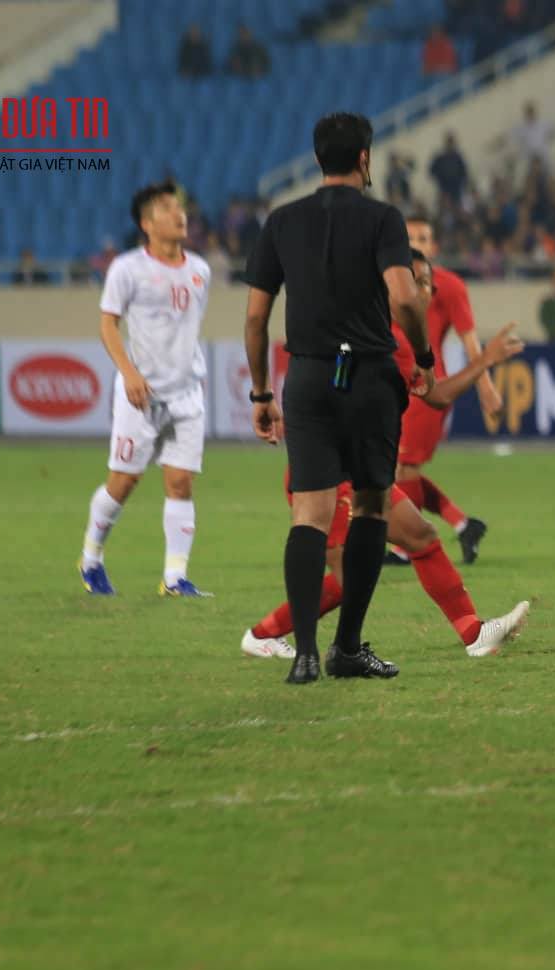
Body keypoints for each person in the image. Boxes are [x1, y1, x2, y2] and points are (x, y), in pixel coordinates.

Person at [242, 112, 434, 685]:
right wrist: (422, 357)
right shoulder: (383, 219)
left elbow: (255, 319)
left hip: (307, 377)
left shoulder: (281, 221)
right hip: (368, 375)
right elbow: (403, 298)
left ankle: (303, 653)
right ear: (365, 159)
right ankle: (347, 647)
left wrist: (260, 392)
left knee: (311, 514)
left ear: (318, 159)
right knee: (372, 504)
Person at [242, 296, 529, 663]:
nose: (423, 293)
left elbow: (430, 393)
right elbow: (436, 395)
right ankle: (263, 634)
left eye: (426, 284)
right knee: (353, 577)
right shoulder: (375, 336)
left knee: (421, 536)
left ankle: (475, 634)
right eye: (416, 282)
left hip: (359, 469)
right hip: (328, 472)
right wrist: (483, 362)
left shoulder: (395, 339)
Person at [79, 183, 211, 598]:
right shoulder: (127, 269)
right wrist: (129, 373)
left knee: (181, 483)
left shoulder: (200, 270)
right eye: (168, 209)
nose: (180, 214)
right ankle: (91, 560)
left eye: (181, 208)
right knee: (123, 482)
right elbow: (107, 324)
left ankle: (174, 577)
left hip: (187, 393)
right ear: (146, 223)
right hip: (141, 394)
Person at [395, 215, 500, 563]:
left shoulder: (448, 286)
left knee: (402, 469)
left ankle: (405, 546)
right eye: (409, 238)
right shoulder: (391, 281)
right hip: (398, 382)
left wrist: (485, 387)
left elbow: (470, 342)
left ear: (434, 247)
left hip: (427, 387)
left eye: (422, 238)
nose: (415, 244)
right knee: (396, 469)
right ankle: (462, 523)